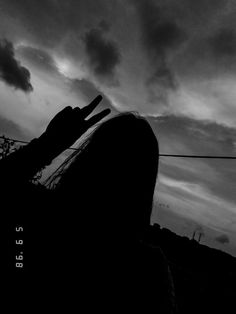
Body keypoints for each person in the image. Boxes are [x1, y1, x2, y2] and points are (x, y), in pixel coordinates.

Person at [2, 95, 177, 313]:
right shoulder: (147, 269)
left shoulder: (38, 223)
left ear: (86, 161)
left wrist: (49, 143)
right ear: (144, 184)